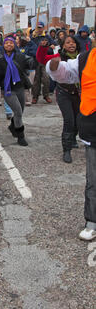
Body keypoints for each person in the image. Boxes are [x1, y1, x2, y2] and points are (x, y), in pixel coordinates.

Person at [45, 47, 96, 241]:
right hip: (93, 127)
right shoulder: (86, 58)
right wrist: (54, 65)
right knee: (93, 180)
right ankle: (92, 222)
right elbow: (65, 73)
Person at [37, 36, 81, 163]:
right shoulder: (58, 57)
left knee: (78, 119)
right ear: (63, 46)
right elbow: (41, 60)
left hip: (79, 93)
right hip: (64, 93)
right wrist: (42, 47)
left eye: (73, 42)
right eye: (68, 42)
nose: (71, 44)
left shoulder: (82, 57)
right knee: (69, 120)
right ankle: (66, 150)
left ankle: (73, 138)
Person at [0, 36, 35, 146]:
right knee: (18, 112)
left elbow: (30, 63)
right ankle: (20, 136)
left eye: (11, 43)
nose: (9, 45)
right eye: (6, 43)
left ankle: (12, 126)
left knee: (20, 112)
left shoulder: (21, 57)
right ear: (3, 45)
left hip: (20, 87)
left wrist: (31, 61)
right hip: (8, 90)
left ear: (14, 45)